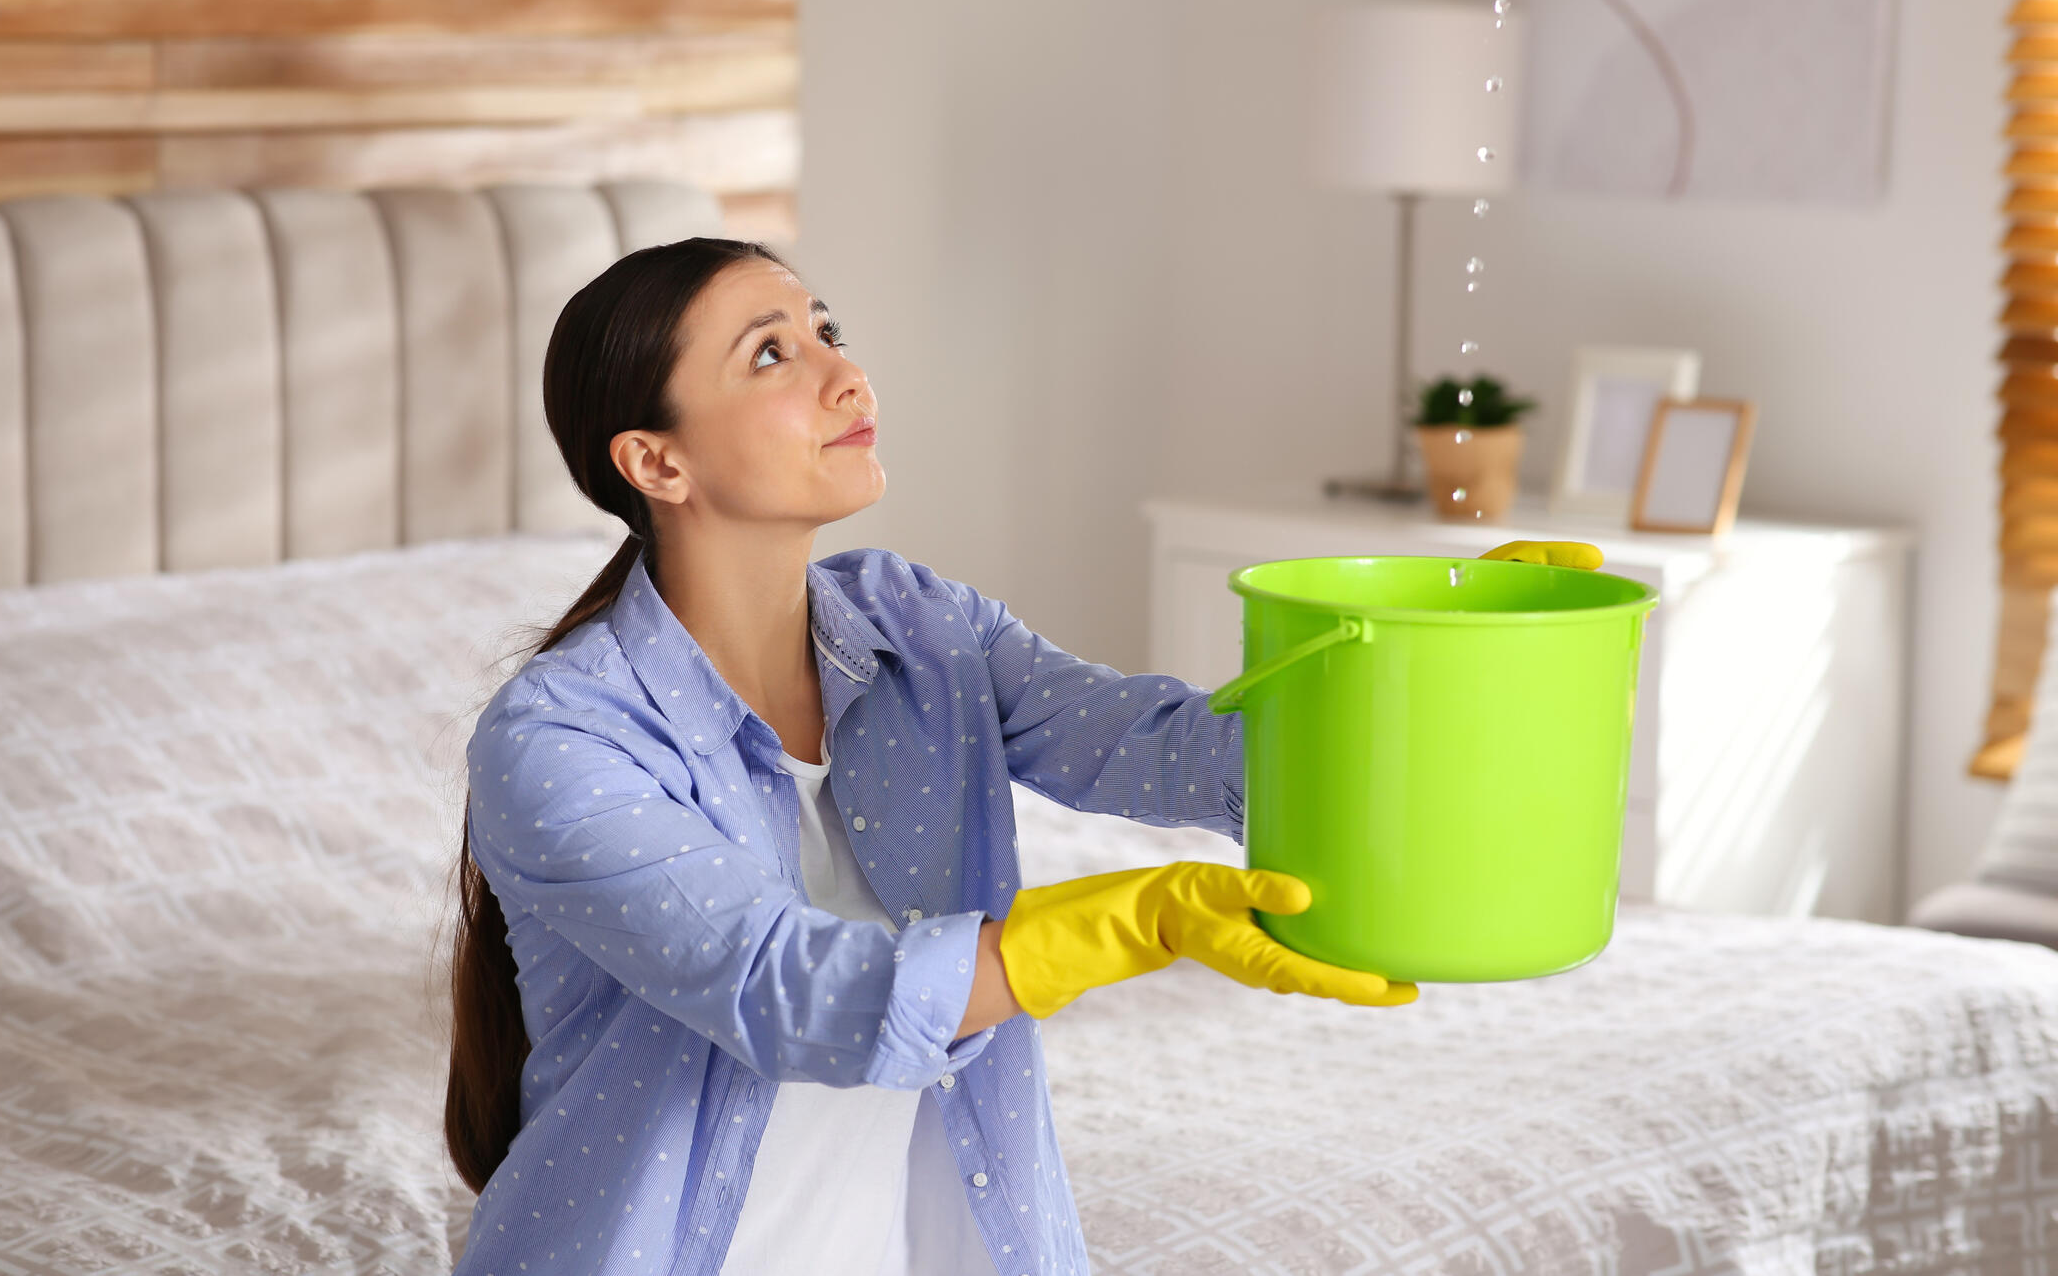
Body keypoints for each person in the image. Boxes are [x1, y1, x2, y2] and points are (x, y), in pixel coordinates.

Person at [440, 235, 1601, 1276]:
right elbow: (786, 988)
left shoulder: (920, 625)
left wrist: (1440, 658)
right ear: (656, 463)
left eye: (828, 330)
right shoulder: (561, 738)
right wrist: (1128, 923)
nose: (846, 375)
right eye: (771, 354)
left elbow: (1173, 751)